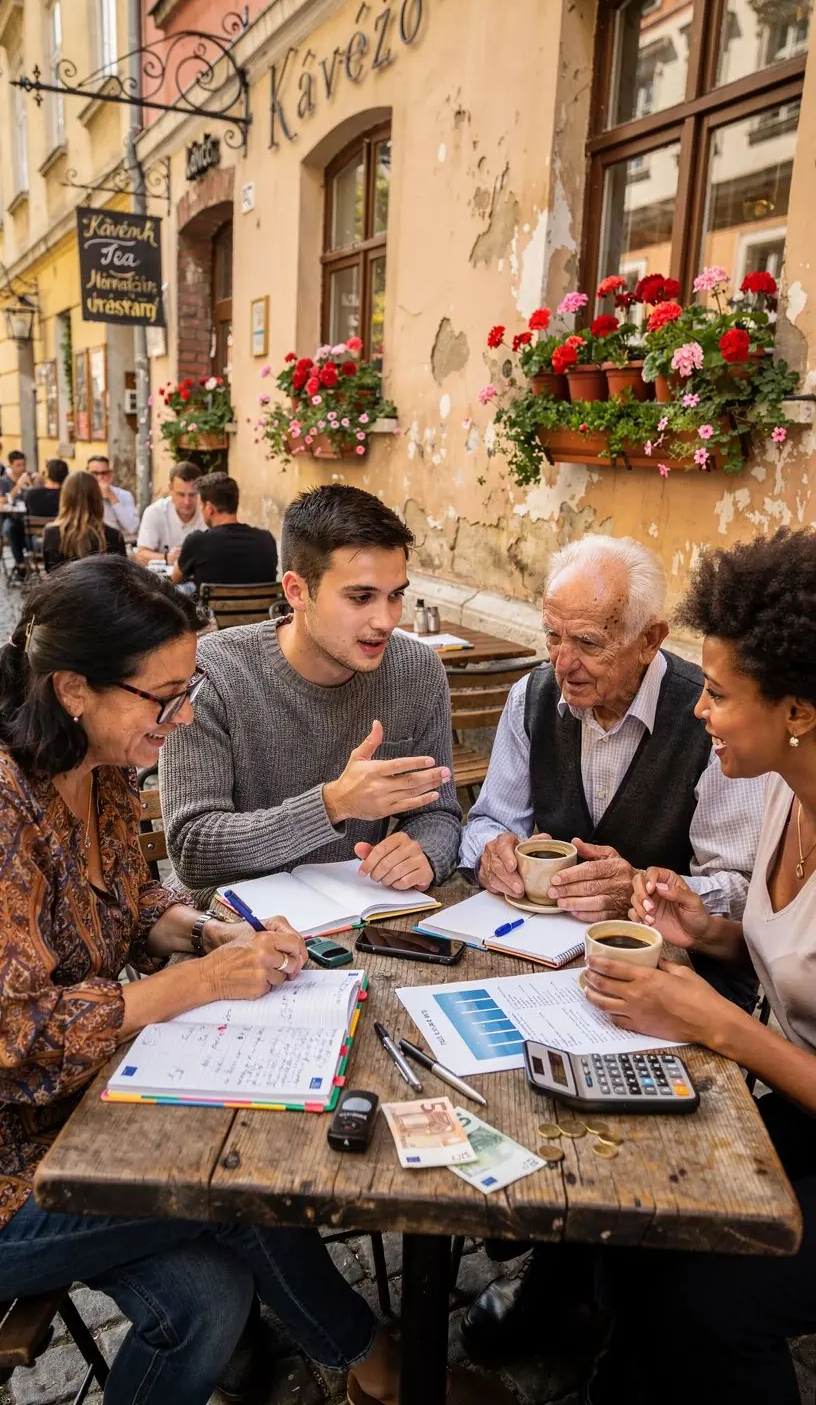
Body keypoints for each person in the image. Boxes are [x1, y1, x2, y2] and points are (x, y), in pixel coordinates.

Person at [0, 556, 397, 1405]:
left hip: (84, 1112)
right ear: (73, 688)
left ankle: (365, 1362)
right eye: (164, 697)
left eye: (189, 692)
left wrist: (216, 932)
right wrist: (200, 983)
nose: (181, 719)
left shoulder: (100, 764)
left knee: (208, 1299)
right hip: (13, 1169)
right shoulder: (6, 807)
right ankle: (377, 1366)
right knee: (240, 1189)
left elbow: (139, 898)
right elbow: (18, 1035)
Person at [459, 534, 764, 1356]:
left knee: (606, 1099)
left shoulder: (718, 718)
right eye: (553, 635)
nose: (564, 662)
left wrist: (648, 885)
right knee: (493, 1068)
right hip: (532, 951)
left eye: (588, 642)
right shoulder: (533, 699)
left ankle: (586, 1280)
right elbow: (493, 817)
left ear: (650, 639)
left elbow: (738, 891)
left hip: (670, 980)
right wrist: (485, 848)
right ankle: (558, 1260)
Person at [581, 529, 816, 1405]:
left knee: (717, 1298)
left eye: (717, 692)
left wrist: (715, 1022)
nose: (696, 709)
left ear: (797, 710)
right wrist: (704, 928)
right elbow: (785, 952)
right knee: (637, 1214)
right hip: (788, 1110)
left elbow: (758, 1015)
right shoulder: (783, 796)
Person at [160, 483, 461, 904]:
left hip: (357, 916)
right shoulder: (212, 672)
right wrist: (334, 804)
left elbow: (437, 812)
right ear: (297, 591)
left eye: (396, 596)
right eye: (361, 597)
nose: (387, 619)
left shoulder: (416, 670)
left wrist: (425, 853)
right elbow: (193, 849)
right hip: (227, 926)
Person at [171, 471, 278, 592]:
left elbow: (174, 579)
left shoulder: (197, 541)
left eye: (201, 506)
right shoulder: (266, 539)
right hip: (262, 611)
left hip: (212, 611)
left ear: (209, 508)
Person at [42, 471, 127, 572]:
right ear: (97, 498)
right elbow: (122, 576)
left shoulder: (52, 533)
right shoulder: (113, 536)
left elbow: (50, 573)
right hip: (102, 587)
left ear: (65, 498)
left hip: (64, 587)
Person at [135, 461, 205, 565]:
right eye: (181, 494)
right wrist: (167, 558)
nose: (187, 502)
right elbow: (141, 555)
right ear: (170, 489)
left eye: (192, 495)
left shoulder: (208, 512)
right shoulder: (155, 512)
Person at [1, 451, 38, 573]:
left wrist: (32, 483)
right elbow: (2, 501)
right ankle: (20, 563)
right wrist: (18, 486)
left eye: (23, 464)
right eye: (18, 465)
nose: (22, 468)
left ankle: (34, 560)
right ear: (11, 466)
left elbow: (37, 496)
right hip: (12, 517)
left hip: (29, 517)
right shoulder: (4, 481)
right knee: (9, 528)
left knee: (34, 531)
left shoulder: (30, 476)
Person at [87, 456, 140, 537]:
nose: (100, 478)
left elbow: (133, 527)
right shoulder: (81, 495)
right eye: (95, 474)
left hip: (116, 544)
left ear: (110, 474)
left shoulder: (124, 495)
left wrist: (112, 498)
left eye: (104, 473)